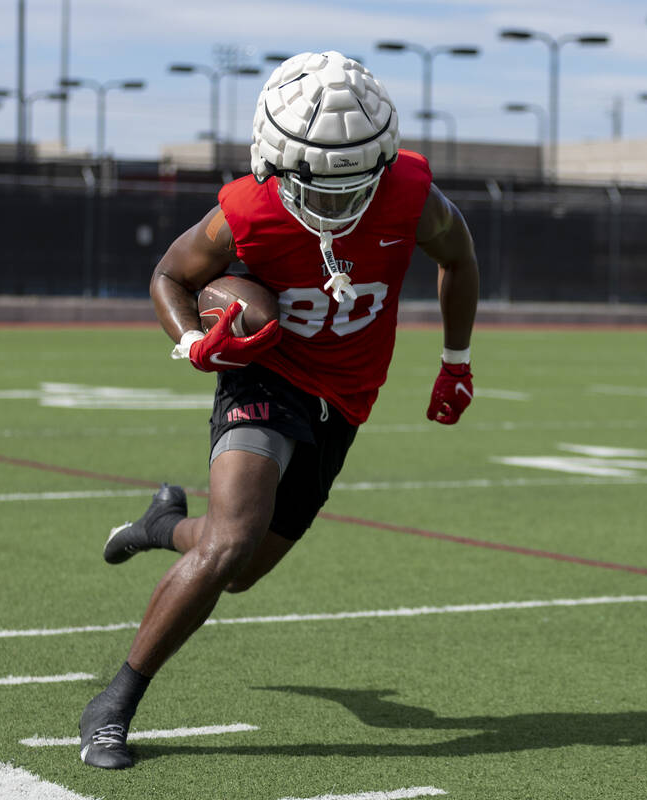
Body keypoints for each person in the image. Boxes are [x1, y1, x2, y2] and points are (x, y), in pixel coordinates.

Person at [78, 50, 479, 770]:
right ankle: (113, 706)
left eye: (354, 183)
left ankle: (162, 523)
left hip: (346, 398)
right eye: (319, 184)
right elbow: (170, 274)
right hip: (266, 378)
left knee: (238, 569)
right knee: (231, 540)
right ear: (274, 162)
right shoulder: (246, 209)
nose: (334, 202)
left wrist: (456, 359)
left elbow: (460, 255)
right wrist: (193, 341)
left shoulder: (411, 193)